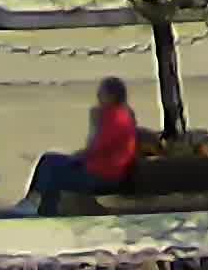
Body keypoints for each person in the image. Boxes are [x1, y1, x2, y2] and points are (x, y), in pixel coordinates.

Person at [14, 75, 139, 214]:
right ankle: (39, 206)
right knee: (49, 160)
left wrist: (93, 126)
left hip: (104, 176)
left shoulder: (117, 118)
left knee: (53, 172)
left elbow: (95, 148)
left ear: (112, 96)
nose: (98, 96)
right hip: (100, 168)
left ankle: (41, 208)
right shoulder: (114, 114)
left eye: (102, 93)